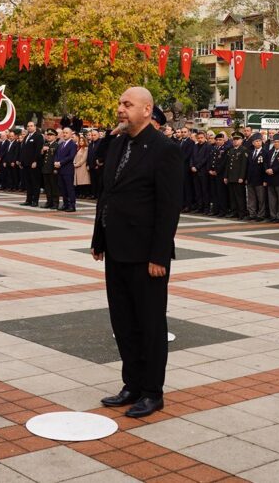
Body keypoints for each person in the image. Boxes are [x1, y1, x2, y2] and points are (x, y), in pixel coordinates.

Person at [91, 87, 182, 419]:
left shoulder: (164, 150)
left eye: (127, 104)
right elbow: (107, 195)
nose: (120, 109)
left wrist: (159, 255)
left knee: (149, 324)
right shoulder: (118, 144)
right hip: (117, 249)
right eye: (119, 103)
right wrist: (99, 238)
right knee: (124, 322)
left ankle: (152, 391)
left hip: (147, 256)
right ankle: (131, 383)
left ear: (147, 110)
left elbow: (168, 208)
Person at [224, 132, 248, 220]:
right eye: (234, 140)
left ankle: (242, 212)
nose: (235, 141)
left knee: (239, 196)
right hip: (231, 176)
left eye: (237, 139)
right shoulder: (231, 150)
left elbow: (244, 165)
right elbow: (228, 165)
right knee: (232, 196)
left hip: (238, 177)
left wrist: (242, 177)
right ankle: (234, 211)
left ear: (241, 140)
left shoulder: (243, 150)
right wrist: (226, 176)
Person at [54, 127, 78, 212]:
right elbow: (56, 154)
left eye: (66, 133)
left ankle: (72, 205)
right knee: (62, 188)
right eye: (63, 132)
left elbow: (71, 156)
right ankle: (65, 204)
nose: (64, 134)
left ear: (71, 134)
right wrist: (56, 162)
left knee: (69, 188)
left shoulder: (73, 145)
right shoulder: (61, 144)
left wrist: (60, 163)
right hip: (60, 169)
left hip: (68, 170)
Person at [20, 122, 43, 204]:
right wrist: (21, 161)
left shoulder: (38, 136)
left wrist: (35, 161)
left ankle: (35, 201)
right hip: (26, 164)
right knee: (28, 183)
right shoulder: (26, 136)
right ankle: (28, 200)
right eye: (28, 126)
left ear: (35, 127)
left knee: (35, 183)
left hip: (33, 164)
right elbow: (23, 150)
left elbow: (38, 150)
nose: (29, 127)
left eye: (31, 126)